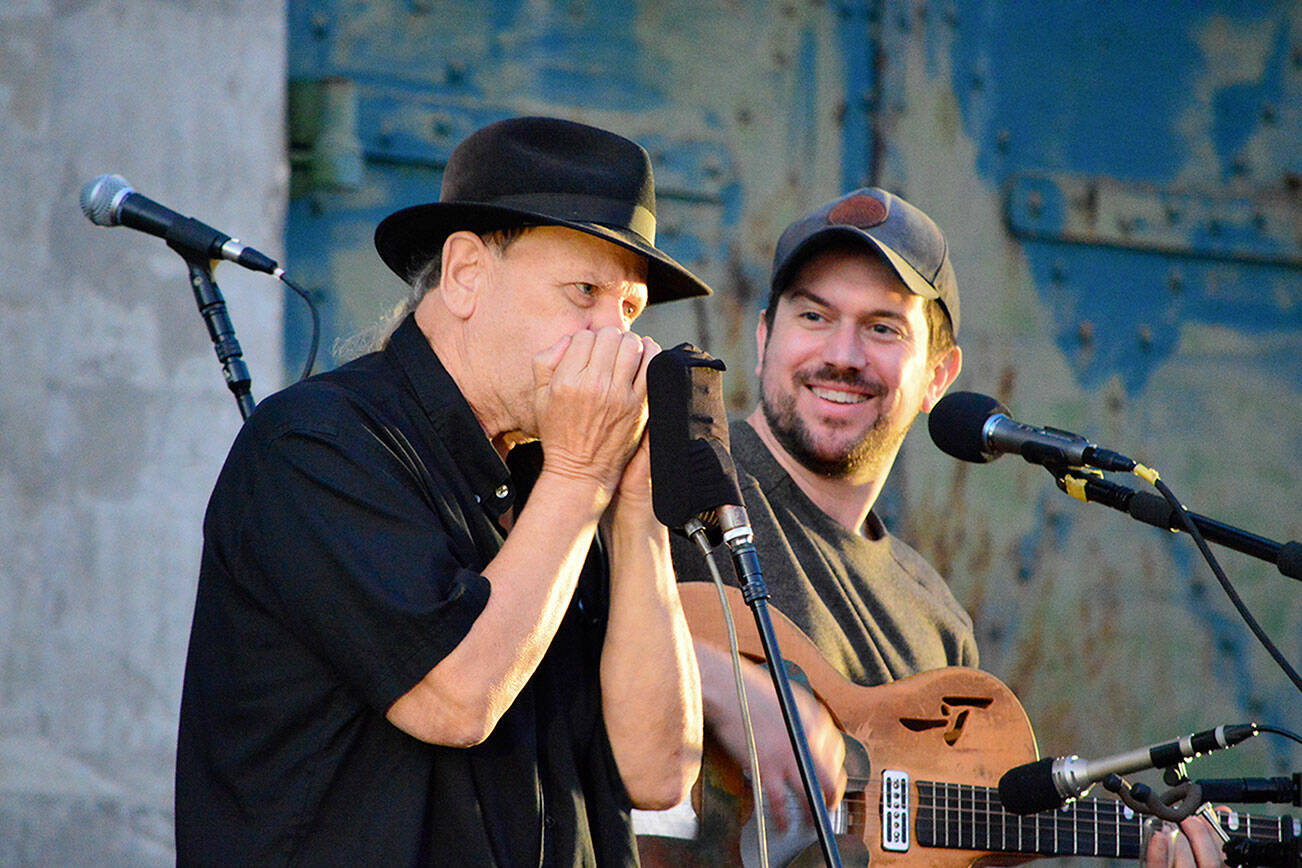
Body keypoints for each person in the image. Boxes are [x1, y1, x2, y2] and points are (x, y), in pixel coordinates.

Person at [637, 188, 1226, 867]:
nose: (843, 354)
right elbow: (532, 633)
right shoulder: (675, 478)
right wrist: (722, 684)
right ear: (766, 336)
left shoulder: (936, 624)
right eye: (814, 315)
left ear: (938, 376)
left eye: (883, 327)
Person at [175, 116, 704, 866]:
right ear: (465, 275)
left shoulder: (559, 475)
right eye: (582, 291)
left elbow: (657, 774)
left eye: (627, 311)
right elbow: (453, 699)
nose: (613, 342)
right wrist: (582, 477)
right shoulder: (316, 444)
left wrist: (639, 512)